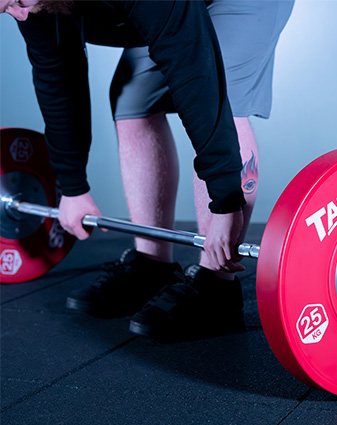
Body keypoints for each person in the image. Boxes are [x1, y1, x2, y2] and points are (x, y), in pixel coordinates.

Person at [3, 0, 293, 340]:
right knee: (133, 103)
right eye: (6, 10)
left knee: (223, 91)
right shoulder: (35, 4)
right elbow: (57, 73)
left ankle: (216, 285)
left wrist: (227, 200)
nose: (19, 14)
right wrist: (72, 187)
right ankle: (152, 265)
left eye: (17, 2)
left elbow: (193, 72)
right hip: (173, 9)